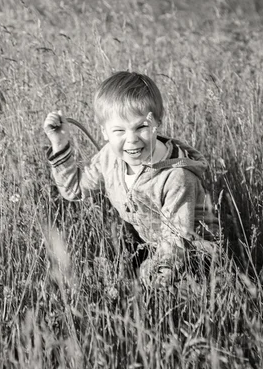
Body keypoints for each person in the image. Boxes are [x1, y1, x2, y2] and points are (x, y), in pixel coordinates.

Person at [43, 71, 218, 288]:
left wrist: (144, 278)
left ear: (157, 123)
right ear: (105, 132)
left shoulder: (176, 177)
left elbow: (176, 242)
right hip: (150, 242)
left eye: (141, 127)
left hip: (191, 252)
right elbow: (74, 190)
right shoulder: (110, 157)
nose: (132, 139)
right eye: (119, 130)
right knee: (101, 274)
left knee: (169, 293)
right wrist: (60, 144)